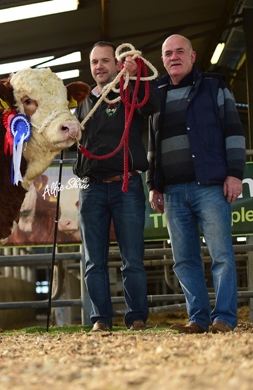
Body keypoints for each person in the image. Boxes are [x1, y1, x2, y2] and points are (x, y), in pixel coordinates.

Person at [146, 34, 246, 333]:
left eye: (180, 52)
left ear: (192, 57)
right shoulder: (156, 92)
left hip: (210, 186)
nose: (174, 57)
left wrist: (235, 173)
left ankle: (224, 318)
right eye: (167, 53)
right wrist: (153, 183)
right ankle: (198, 318)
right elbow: (152, 142)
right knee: (184, 259)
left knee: (221, 255)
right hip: (172, 190)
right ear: (162, 60)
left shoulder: (214, 86)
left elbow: (233, 130)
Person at [73, 41, 158, 332]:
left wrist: (135, 74)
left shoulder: (128, 92)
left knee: (132, 258)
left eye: (105, 61)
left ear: (116, 63)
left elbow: (151, 105)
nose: (99, 66)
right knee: (93, 260)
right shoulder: (83, 103)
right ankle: (101, 320)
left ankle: (136, 317)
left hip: (126, 185)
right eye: (95, 61)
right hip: (91, 187)